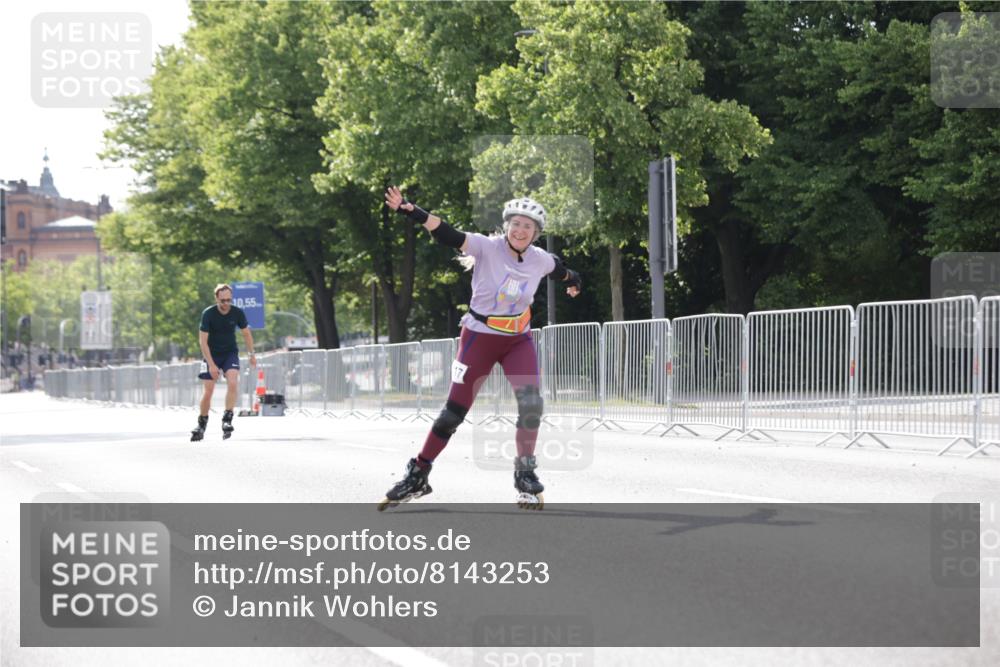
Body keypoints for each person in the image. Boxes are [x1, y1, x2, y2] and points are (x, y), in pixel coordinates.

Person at [379, 186, 582, 510]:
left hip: (518, 341)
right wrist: (413, 211)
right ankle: (418, 473)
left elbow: (560, 270)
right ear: (507, 226)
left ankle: (525, 474)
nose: (520, 231)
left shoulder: (539, 259)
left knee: (531, 404)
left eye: (528, 227)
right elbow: (448, 233)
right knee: (452, 415)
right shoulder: (487, 247)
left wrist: (573, 280)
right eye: (515, 224)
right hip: (479, 338)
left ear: (536, 233)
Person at [191, 284, 256, 441]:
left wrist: (251, 354)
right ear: (216, 298)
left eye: (229, 300)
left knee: (233, 382)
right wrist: (211, 364)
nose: (226, 303)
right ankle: (202, 423)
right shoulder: (208, 314)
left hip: (229, 353)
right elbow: (203, 342)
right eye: (223, 300)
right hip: (211, 354)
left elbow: (246, 334)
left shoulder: (237, 312)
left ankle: (227, 419)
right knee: (209, 390)